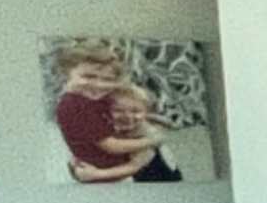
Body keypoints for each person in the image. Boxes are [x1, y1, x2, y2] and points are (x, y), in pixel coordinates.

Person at [50, 45, 174, 184]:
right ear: (66, 73)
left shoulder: (90, 97)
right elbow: (113, 146)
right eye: (88, 76)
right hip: (111, 173)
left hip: (118, 160)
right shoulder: (74, 106)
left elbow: (120, 106)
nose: (98, 85)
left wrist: (149, 117)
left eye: (108, 79)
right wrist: (152, 141)